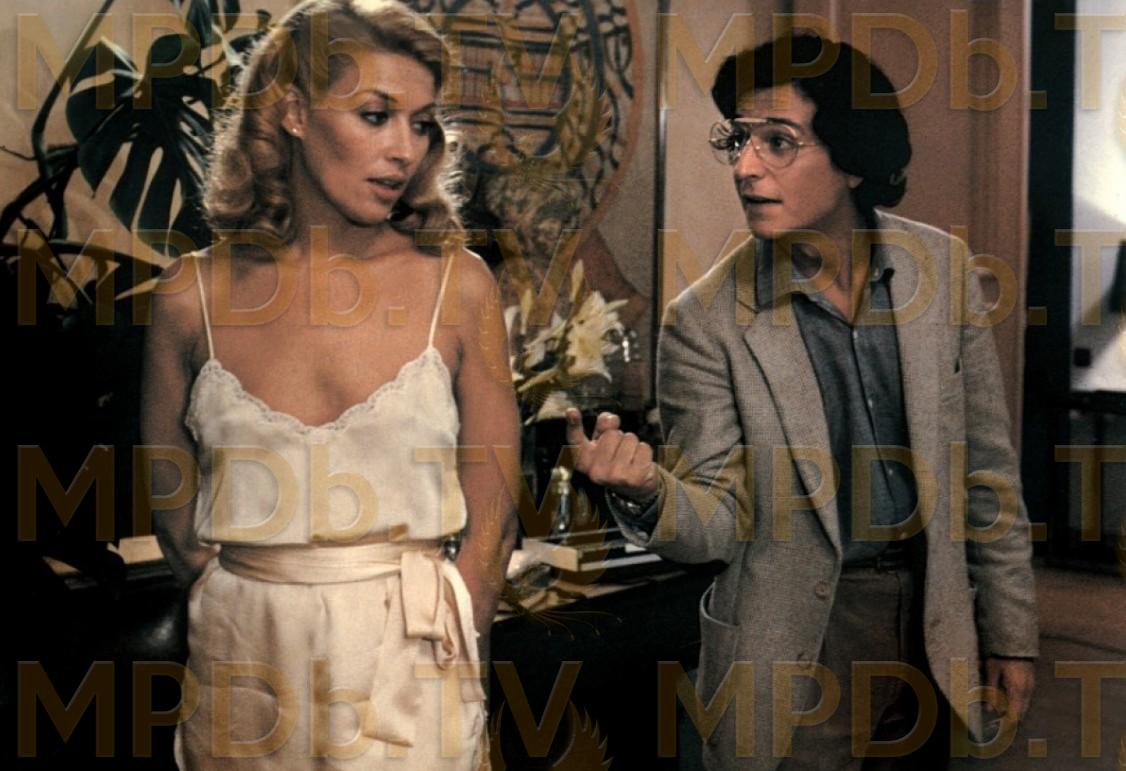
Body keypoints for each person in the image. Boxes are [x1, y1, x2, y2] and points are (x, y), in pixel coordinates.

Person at [568, 34, 1038, 770]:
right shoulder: (703, 323)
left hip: (937, 625)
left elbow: (988, 470)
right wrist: (648, 492)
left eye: (778, 142)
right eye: (739, 140)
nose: (745, 167)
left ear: (851, 158)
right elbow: (719, 521)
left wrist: (1011, 633)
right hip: (795, 645)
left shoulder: (941, 270)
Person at [140, 1, 519, 767]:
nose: (404, 150)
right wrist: (246, 602)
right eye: (376, 116)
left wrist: (458, 628)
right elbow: (174, 513)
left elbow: (495, 513)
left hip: (413, 669)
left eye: (421, 124)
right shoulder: (190, 296)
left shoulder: (460, 287)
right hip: (244, 669)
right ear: (293, 113)